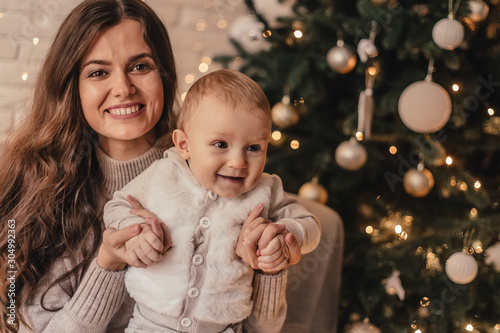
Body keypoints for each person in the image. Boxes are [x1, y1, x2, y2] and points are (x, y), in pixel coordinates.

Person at [0, 1, 317, 332]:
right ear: (72, 86)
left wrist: (268, 267)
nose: (123, 88)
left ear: (164, 76)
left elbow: (258, 328)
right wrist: (109, 264)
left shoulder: (226, 178)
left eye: (140, 67)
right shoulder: (38, 191)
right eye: (98, 72)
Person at [103, 69, 321, 332]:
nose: (238, 162)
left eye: (253, 148)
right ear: (184, 144)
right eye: (220, 144)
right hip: (150, 324)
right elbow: (116, 206)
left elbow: (311, 227)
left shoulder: (267, 189)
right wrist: (134, 229)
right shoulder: (163, 174)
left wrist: (285, 235)